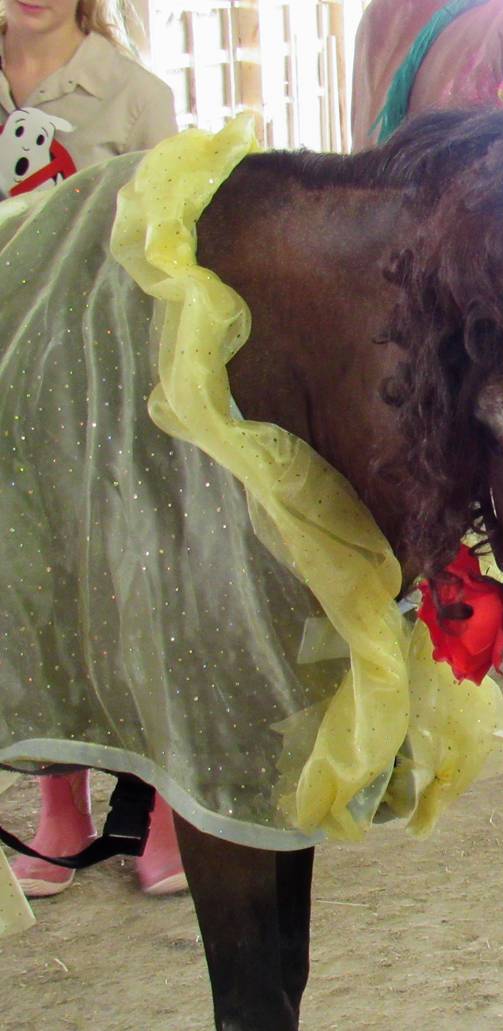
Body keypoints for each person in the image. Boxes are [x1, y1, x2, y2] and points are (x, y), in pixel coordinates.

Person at [2, 0, 183, 896]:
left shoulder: (135, 96)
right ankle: (58, 805)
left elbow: (173, 247)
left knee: (129, 586)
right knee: (28, 590)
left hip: (101, 386)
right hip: (4, 391)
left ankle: (158, 805)